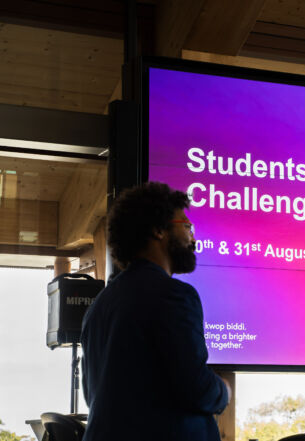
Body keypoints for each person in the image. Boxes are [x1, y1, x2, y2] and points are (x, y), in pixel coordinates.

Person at [81, 182, 231, 441]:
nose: (193, 237)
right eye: (186, 226)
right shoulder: (173, 295)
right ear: (158, 230)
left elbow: (91, 393)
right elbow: (196, 388)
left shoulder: (99, 305)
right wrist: (223, 390)